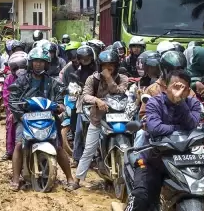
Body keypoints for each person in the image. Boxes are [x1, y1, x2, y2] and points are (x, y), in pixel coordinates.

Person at [108, 69, 200, 211]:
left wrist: (181, 103)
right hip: (153, 159)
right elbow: (154, 127)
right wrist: (178, 129)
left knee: (202, 185)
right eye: (175, 86)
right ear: (165, 86)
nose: (178, 91)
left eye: (183, 88)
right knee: (141, 195)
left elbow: (193, 125)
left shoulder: (192, 104)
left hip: (182, 159)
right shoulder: (154, 102)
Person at [9, 42, 75, 190]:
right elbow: (13, 100)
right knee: (19, 144)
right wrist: (20, 114)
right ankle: (15, 179)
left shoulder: (53, 82)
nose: (38, 65)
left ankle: (70, 178)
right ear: (31, 63)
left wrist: (59, 106)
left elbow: (60, 99)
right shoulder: (21, 81)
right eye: (36, 61)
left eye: (41, 62)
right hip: (26, 118)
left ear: (46, 64)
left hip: (48, 118)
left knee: (58, 146)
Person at [74, 48, 129, 185]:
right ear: (100, 66)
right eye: (105, 65)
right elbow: (85, 95)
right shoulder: (92, 79)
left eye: (111, 65)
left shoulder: (123, 78)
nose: (108, 67)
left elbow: (120, 92)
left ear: (116, 66)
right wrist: (97, 101)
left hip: (119, 117)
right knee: (89, 150)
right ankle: (77, 180)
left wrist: (109, 79)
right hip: (98, 119)